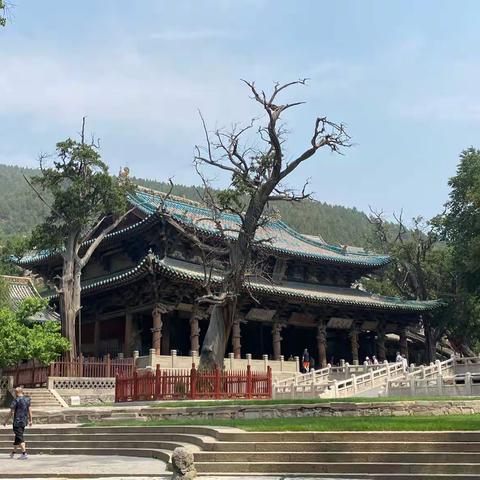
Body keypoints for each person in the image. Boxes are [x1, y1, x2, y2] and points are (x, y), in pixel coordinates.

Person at [3, 387, 32, 459]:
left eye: (15, 392)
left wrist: (5, 421)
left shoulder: (16, 400)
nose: (14, 393)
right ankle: (13, 453)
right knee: (18, 436)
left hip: (17, 422)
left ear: (16, 392)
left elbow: (11, 412)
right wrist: (31, 420)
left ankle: (24, 453)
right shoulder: (27, 399)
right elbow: (30, 411)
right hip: (24, 421)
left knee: (19, 436)